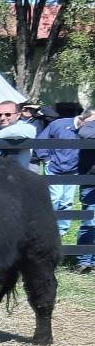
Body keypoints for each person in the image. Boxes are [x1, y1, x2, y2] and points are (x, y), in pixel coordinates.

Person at [35, 109, 95, 236]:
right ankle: (45, 229)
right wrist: (47, 159)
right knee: (53, 199)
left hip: (74, 171)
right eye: (93, 121)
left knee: (67, 203)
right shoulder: (59, 124)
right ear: (83, 118)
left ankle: (61, 233)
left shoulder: (88, 132)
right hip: (54, 169)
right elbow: (41, 141)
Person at [76, 109, 95, 273]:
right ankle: (84, 261)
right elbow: (84, 133)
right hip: (90, 182)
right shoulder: (88, 127)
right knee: (89, 222)